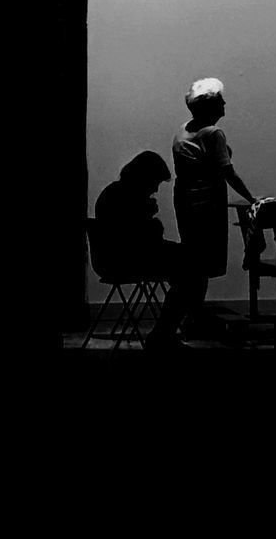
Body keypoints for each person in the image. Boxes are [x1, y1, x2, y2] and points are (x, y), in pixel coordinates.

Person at [172, 78, 257, 335]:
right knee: (203, 264)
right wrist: (252, 199)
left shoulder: (182, 131)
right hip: (208, 205)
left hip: (185, 203)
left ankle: (190, 316)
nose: (224, 103)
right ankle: (192, 319)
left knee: (193, 262)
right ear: (211, 106)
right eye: (220, 100)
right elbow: (227, 173)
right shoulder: (213, 133)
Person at [94, 151, 202, 350]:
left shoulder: (114, 192)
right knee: (192, 267)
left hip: (116, 258)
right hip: (128, 260)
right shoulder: (128, 197)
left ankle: (166, 330)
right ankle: (165, 331)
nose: (155, 189)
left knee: (187, 264)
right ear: (145, 177)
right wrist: (152, 220)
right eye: (156, 183)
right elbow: (142, 238)